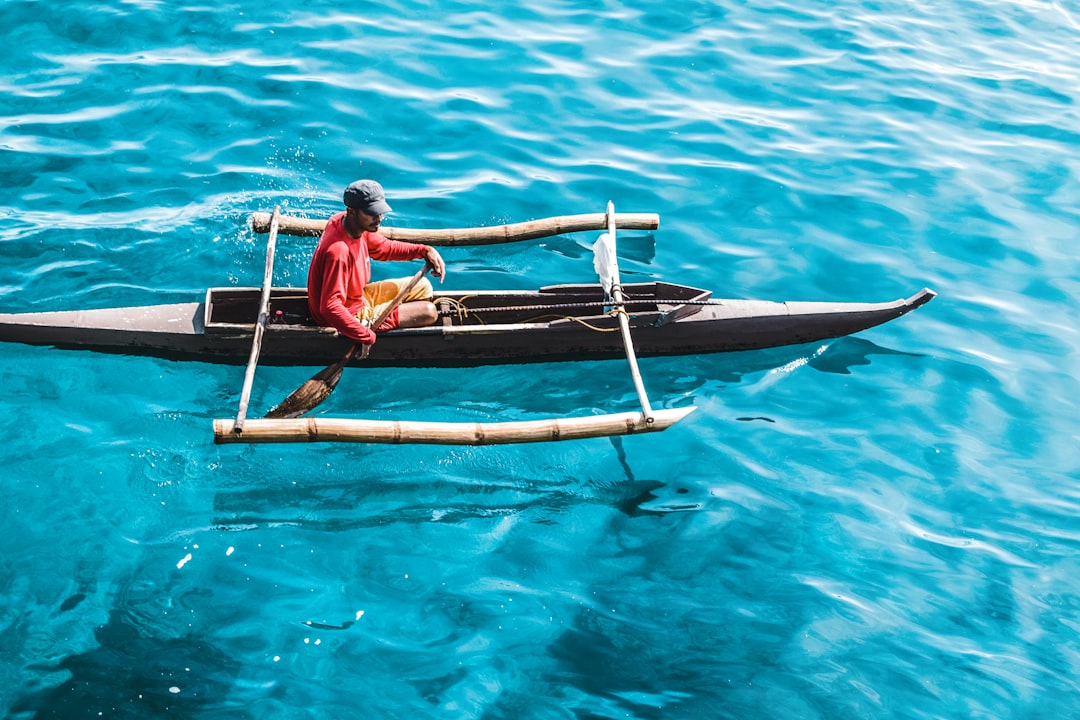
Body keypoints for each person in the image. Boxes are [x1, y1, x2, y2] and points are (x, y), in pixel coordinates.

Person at [307, 179, 446, 346]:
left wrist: (424, 250)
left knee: (423, 286)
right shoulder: (339, 252)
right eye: (371, 213)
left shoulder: (348, 223)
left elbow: (383, 248)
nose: (378, 218)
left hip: (357, 297)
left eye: (380, 212)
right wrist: (366, 336)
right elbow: (330, 307)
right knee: (428, 312)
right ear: (351, 211)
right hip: (347, 315)